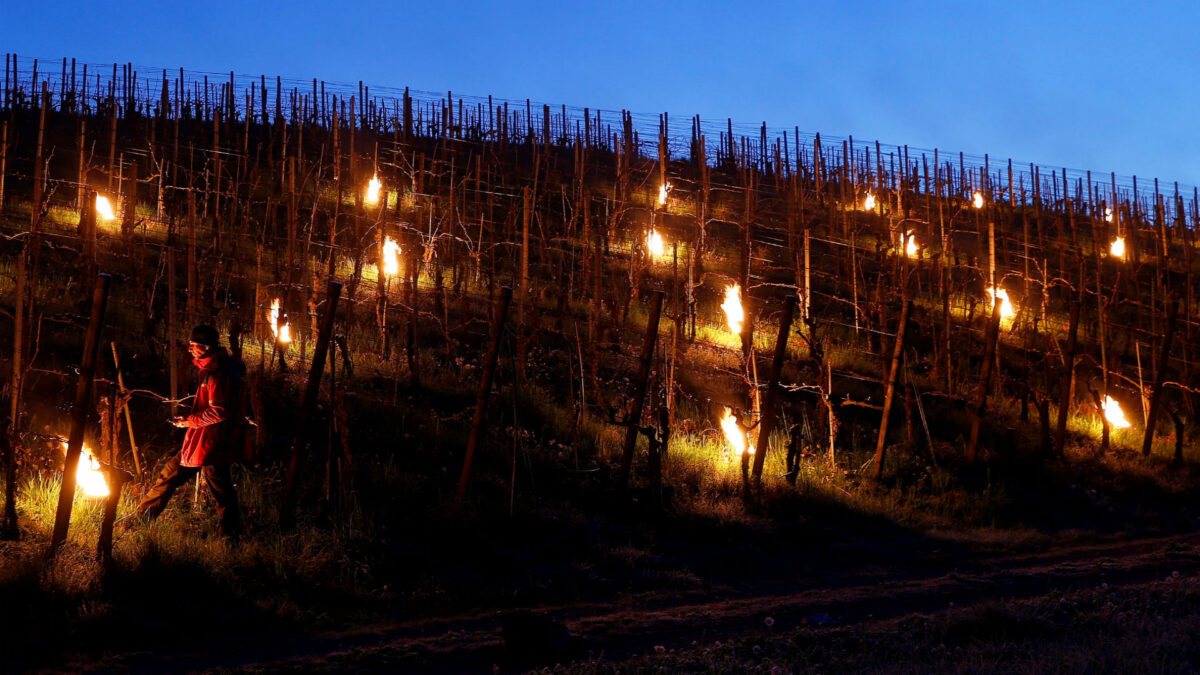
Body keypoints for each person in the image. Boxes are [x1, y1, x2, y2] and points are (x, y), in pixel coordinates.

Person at [136, 324, 245, 539]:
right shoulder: (222, 367)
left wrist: (188, 421)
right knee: (218, 489)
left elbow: (219, 411)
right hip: (213, 441)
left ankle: (141, 520)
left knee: (177, 477)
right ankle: (230, 536)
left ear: (205, 347)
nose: (190, 349)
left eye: (193, 345)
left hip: (209, 442)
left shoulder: (217, 373)